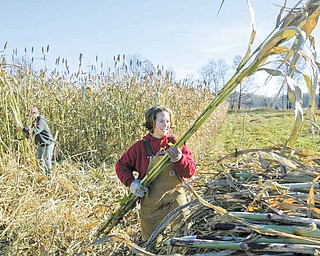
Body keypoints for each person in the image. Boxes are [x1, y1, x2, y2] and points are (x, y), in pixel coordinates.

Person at [115, 106, 196, 242]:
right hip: (151, 201)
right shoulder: (140, 146)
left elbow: (190, 172)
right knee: (151, 242)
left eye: (168, 121)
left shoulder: (177, 143)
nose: (166, 125)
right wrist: (132, 183)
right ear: (152, 123)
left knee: (184, 237)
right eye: (161, 121)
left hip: (175, 197)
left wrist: (179, 159)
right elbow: (121, 166)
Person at [18, 106, 55, 177]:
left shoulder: (41, 121)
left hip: (47, 143)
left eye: (29, 115)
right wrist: (24, 137)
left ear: (34, 113)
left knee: (47, 161)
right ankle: (43, 176)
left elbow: (35, 130)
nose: (29, 117)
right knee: (40, 161)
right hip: (40, 144)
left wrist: (23, 129)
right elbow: (31, 133)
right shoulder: (34, 121)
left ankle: (49, 176)